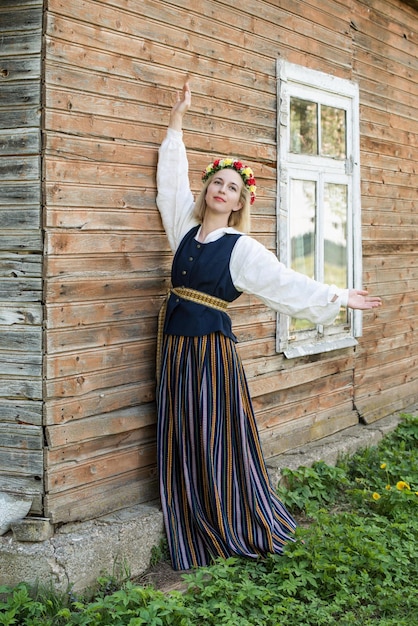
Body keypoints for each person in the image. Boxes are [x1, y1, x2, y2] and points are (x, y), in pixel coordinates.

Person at [155, 81, 382, 571]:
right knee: (185, 430)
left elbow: (286, 284)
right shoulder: (184, 230)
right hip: (175, 351)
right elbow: (170, 183)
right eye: (217, 182)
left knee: (214, 431)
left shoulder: (242, 249)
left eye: (232, 188)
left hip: (210, 355)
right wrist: (177, 121)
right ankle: (191, 501)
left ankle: (226, 510)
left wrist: (340, 296)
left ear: (240, 201)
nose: (222, 191)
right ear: (208, 189)